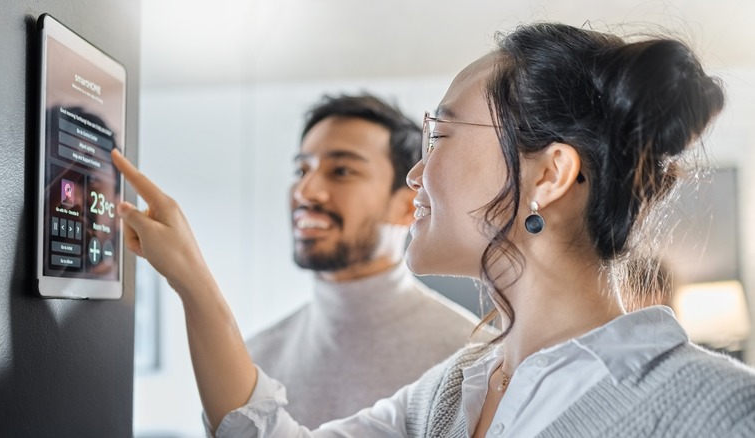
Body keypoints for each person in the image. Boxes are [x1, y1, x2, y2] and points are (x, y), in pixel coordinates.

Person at [113, 22, 755, 438]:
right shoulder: (455, 391)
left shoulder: (720, 412)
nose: (416, 173)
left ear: (552, 174)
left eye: (440, 134)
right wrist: (193, 281)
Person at [246, 94, 480, 428]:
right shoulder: (255, 360)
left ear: (406, 205)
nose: (305, 191)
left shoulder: (471, 358)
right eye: (301, 169)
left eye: (341, 171)